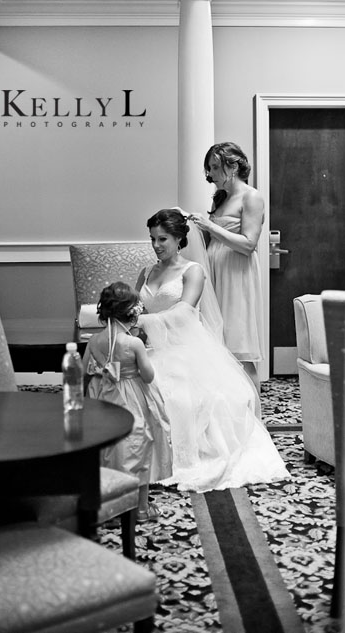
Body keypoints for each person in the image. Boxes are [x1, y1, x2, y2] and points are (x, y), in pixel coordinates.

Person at [134, 209, 288, 493]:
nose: (156, 245)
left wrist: (142, 321)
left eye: (163, 239)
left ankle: (180, 461)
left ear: (179, 238)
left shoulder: (193, 271)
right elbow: (134, 308)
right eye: (153, 239)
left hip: (183, 349)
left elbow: (183, 312)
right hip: (149, 348)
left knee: (177, 396)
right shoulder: (146, 272)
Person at [82, 282, 172, 521]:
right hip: (132, 399)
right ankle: (141, 510)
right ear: (133, 313)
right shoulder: (134, 343)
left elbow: (84, 371)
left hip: (103, 397)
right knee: (138, 449)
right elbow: (149, 375)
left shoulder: (93, 341)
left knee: (109, 451)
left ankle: (109, 510)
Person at [187, 142, 265, 392]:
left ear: (232, 166)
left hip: (237, 277)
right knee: (217, 347)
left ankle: (255, 422)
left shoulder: (251, 196)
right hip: (216, 274)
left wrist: (210, 226)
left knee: (239, 349)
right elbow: (216, 239)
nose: (210, 174)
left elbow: (249, 244)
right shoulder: (221, 198)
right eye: (208, 168)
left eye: (214, 167)